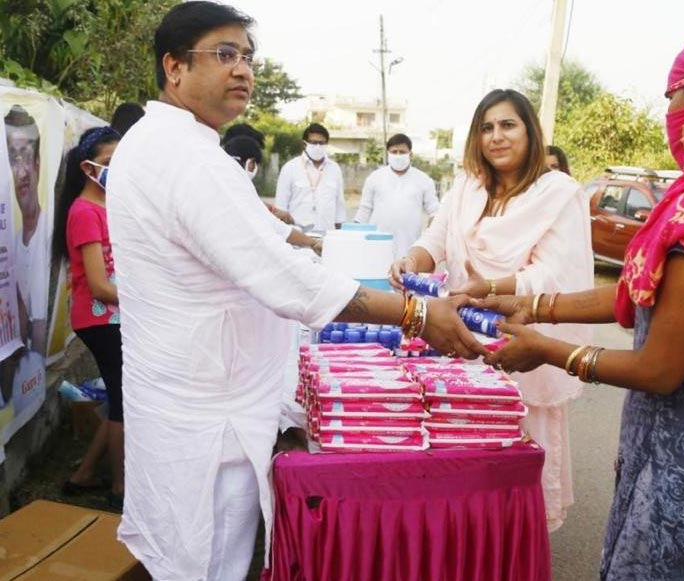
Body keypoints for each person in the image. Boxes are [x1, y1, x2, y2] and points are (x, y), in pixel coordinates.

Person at [106, 3, 485, 579]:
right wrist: (415, 313)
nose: (243, 70)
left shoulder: (166, 144)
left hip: (187, 397)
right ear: (174, 67)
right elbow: (283, 278)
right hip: (209, 413)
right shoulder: (186, 157)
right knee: (206, 562)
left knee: (189, 556)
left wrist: (312, 248)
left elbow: (263, 243)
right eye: (224, 54)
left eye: (248, 57)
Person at [477, 28, 684, 579]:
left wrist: (548, 351)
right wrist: (537, 307)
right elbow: (645, 294)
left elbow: (660, 369)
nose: (670, 108)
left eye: (682, 91)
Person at [390, 88, 594, 531]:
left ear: (530, 131)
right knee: (461, 456)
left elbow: (556, 274)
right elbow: (435, 239)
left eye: (507, 125)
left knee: (516, 466)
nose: (496, 136)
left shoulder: (557, 193)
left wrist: (489, 288)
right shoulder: (468, 185)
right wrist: (411, 261)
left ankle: (515, 545)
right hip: (459, 339)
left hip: (521, 344)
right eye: (486, 128)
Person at [52, 126, 125, 510]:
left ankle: (84, 475)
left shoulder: (109, 206)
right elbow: (98, 285)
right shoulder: (84, 211)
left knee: (120, 398)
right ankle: (121, 490)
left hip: (114, 318)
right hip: (100, 320)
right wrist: (148, 299)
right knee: (125, 403)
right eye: (111, 162)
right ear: (88, 167)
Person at [223, 135, 322, 255]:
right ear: (250, 163)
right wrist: (312, 242)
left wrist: (272, 210)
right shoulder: (242, 190)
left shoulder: (221, 184)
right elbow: (278, 228)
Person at [4, 105, 47, 358]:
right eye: (13, 160)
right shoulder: (11, 244)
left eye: (26, 157)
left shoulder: (50, 231)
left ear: (38, 164)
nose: (21, 173)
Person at [354, 133, 439, 259]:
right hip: (377, 247)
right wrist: (354, 238)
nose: (398, 155)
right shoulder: (375, 178)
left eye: (402, 152)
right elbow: (364, 210)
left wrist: (428, 241)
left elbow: (434, 212)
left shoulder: (423, 180)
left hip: (410, 250)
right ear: (388, 153)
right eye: (394, 152)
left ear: (410, 154)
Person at [274, 122, 345, 232]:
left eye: (322, 143)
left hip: (327, 234)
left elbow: (339, 205)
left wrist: (339, 232)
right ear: (305, 144)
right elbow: (280, 206)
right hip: (298, 235)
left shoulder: (334, 169)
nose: (318, 147)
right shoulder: (290, 168)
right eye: (314, 142)